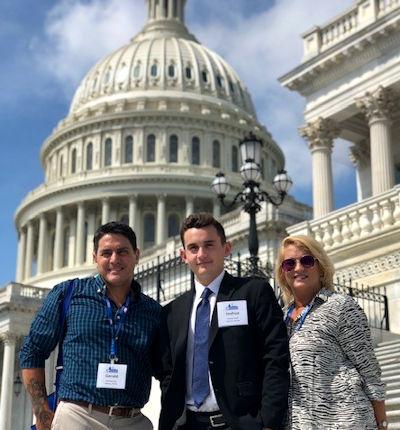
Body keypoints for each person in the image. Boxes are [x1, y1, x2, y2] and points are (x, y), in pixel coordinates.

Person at [20, 221, 166, 430]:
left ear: (136, 254)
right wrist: (42, 413)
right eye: (106, 253)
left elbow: (167, 370)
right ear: (95, 257)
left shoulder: (152, 311)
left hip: (132, 420)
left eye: (122, 251)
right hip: (79, 417)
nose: (114, 259)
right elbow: (32, 350)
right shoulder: (69, 294)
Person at [159, 212, 290, 430]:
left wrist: (268, 422)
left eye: (209, 245)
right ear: (183, 255)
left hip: (241, 423)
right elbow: (166, 370)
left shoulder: (253, 292)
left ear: (226, 248)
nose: (202, 254)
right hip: (187, 425)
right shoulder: (173, 311)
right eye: (193, 248)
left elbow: (275, 357)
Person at [276, 235, 387, 430]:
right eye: (289, 264)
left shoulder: (341, 306)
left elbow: (369, 371)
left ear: (320, 267)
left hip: (346, 422)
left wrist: (382, 423)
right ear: (283, 272)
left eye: (307, 260)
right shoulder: (280, 318)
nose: (298, 268)